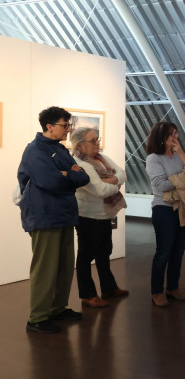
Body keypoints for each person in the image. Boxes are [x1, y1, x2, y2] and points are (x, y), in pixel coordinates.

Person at [17, 106, 90, 334]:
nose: (68, 130)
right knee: (45, 268)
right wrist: (69, 174)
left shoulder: (59, 149)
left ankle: (58, 308)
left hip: (64, 214)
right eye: (64, 125)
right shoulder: (35, 151)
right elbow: (51, 181)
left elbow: (83, 176)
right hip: (44, 215)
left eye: (69, 125)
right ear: (49, 127)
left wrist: (69, 174)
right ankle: (37, 317)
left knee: (65, 266)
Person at [70, 127, 129, 308]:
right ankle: (88, 295)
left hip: (104, 214)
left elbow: (123, 173)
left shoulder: (101, 158)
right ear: (80, 145)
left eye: (97, 139)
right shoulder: (81, 164)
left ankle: (109, 288)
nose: (98, 143)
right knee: (86, 255)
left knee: (104, 252)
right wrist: (115, 184)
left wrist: (112, 180)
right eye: (93, 140)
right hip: (88, 215)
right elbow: (100, 190)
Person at [145, 121, 185, 307]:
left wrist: (183, 154)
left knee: (178, 251)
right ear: (161, 137)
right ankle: (156, 291)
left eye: (176, 134)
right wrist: (184, 177)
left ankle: (172, 287)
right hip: (164, 208)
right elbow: (161, 185)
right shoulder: (154, 158)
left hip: (182, 208)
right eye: (171, 134)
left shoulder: (178, 156)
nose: (175, 138)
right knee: (164, 252)